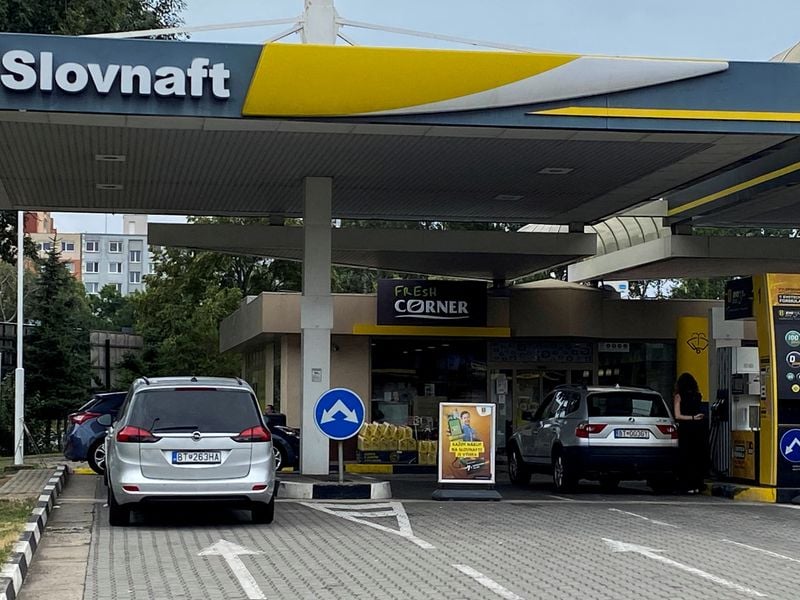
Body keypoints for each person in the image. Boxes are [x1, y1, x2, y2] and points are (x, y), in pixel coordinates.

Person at [673, 372, 707, 493]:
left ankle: (687, 485)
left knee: (685, 457)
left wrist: (691, 418)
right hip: (698, 429)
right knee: (697, 457)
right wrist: (696, 418)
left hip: (685, 429)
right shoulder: (698, 396)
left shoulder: (679, 396)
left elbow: (677, 415)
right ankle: (697, 484)